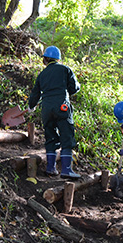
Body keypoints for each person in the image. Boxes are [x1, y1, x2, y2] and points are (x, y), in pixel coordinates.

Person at [28, 46, 81, 179]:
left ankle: (51, 168)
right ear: (58, 58)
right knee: (67, 136)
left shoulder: (42, 74)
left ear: (45, 59)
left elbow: (35, 93)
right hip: (62, 107)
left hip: (46, 108)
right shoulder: (65, 69)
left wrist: (31, 106)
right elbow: (74, 88)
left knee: (50, 136)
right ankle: (66, 170)